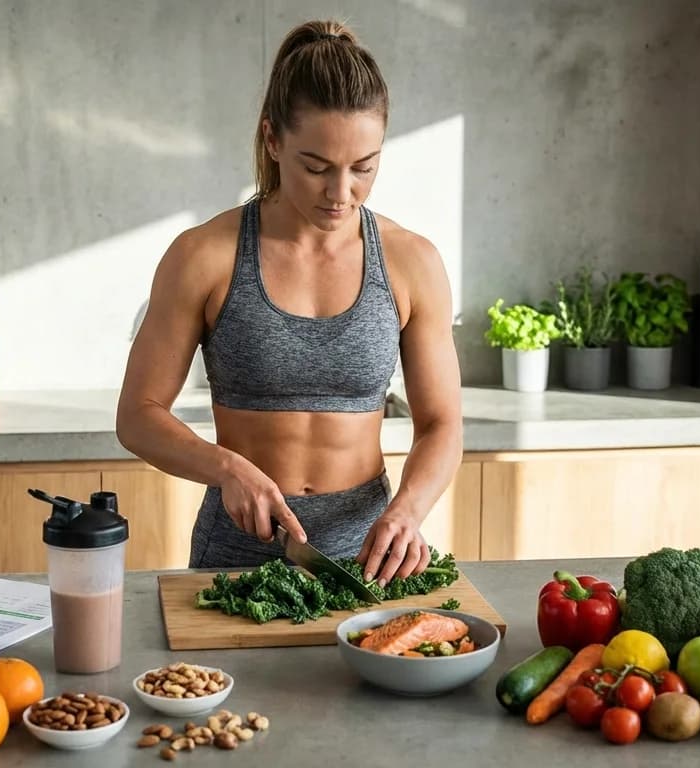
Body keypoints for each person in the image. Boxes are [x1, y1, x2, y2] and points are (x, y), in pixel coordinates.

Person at [116, 19, 462, 586]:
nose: (341, 193)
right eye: (317, 167)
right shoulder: (205, 255)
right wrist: (225, 468)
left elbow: (442, 421)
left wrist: (408, 509)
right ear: (272, 140)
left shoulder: (411, 262)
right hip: (235, 558)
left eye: (364, 168)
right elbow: (137, 415)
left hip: (370, 559)